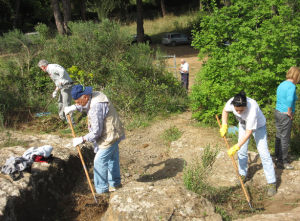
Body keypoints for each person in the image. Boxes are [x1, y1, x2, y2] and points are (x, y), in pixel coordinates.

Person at [64, 85, 125, 194]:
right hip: (115, 130)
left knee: (99, 161)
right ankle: (115, 184)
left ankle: (102, 191)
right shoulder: (94, 95)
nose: (78, 104)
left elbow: (96, 132)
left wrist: (82, 139)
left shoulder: (96, 107)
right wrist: (74, 107)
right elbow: (86, 105)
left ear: (85, 97)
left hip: (110, 136)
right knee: (112, 159)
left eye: (78, 102)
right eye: (76, 102)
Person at [220, 91, 277, 196]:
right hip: (243, 126)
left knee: (264, 153)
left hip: (259, 127)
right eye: (236, 110)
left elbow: (248, 133)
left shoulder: (252, 110)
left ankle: (271, 182)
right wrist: (224, 125)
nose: (239, 112)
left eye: (241, 110)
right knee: (242, 151)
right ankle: (242, 174)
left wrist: (236, 146)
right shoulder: (232, 102)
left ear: (246, 105)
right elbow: (225, 111)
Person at [275, 66, 300, 170]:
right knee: (285, 138)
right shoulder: (291, 86)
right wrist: (289, 112)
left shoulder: (282, 84)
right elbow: (290, 99)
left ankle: (277, 157)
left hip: (277, 111)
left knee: (279, 135)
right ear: (296, 76)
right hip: (285, 114)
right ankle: (283, 161)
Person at [38, 60, 75, 126]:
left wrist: (61, 81)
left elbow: (62, 71)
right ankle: (64, 120)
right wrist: (55, 91)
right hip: (62, 87)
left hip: (67, 86)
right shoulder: (49, 70)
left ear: (43, 66)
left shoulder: (52, 67)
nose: (41, 70)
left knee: (66, 105)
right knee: (60, 103)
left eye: (41, 68)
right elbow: (58, 82)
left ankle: (72, 125)